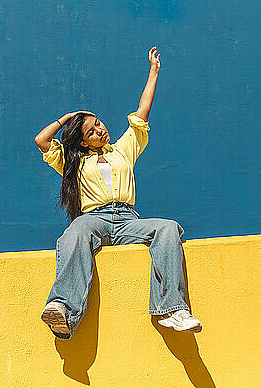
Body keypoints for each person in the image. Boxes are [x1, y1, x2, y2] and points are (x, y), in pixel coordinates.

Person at [34, 46, 201, 340]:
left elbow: (141, 114)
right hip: (94, 219)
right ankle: (62, 306)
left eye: (98, 123)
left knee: (168, 228)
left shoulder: (122, 150)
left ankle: (172, 309)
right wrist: (68, 117)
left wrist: (153, 72)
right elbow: (41, 140)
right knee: (77, 229)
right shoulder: (73, 163)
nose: (100, 130)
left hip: (127, 220)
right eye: (91, 131)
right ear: (84, 142)